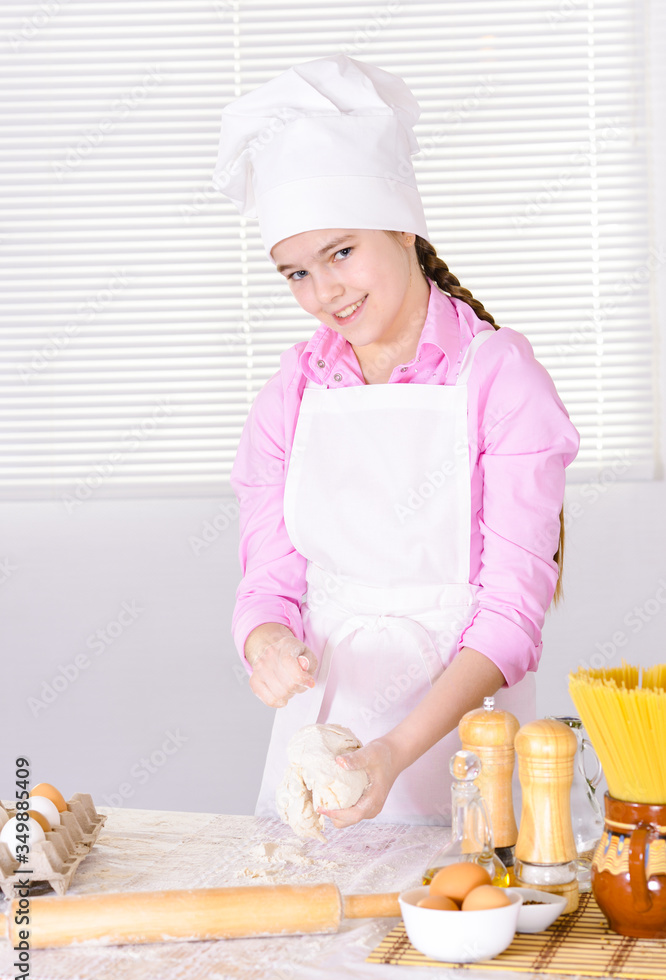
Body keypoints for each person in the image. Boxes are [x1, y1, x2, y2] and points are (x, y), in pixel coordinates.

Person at [212, 54, 580, 828]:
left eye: (341, 252)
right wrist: (267, 642)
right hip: (322, 739)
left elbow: (513, 616)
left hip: (462, 740)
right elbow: (269, 579)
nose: (325, 293)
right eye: (295, 273)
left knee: (452, 895)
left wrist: (392, 753)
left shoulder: (499, 377)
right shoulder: (293, 390)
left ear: (403, 227)